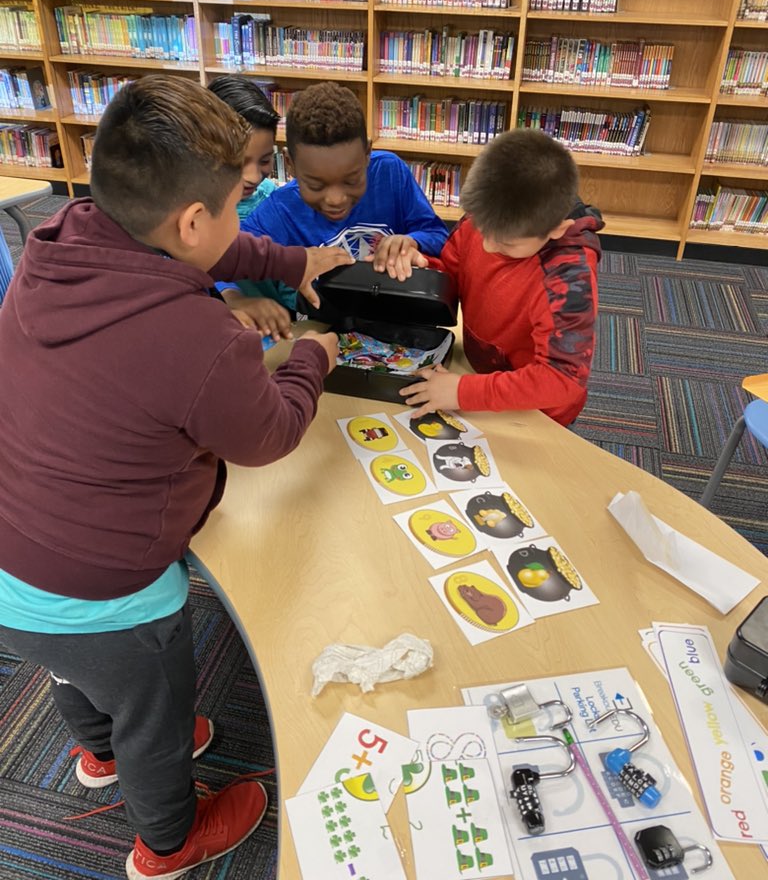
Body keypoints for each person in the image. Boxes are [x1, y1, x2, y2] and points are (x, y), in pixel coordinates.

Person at [0, 76, 351, 880]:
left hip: (13, 564)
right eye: (237, 204)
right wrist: (311, 358)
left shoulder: (63, 236)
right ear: (194, 220)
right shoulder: (199, 338)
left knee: (73, 673)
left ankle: (97, 752)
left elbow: (217, 247)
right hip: (111, 596)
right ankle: (167, 843)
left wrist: (294, 259)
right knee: (154, 721)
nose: (242, 220)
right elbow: (268, 435)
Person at [400, 129, 604, 427]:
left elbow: (561, 379)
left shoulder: (568, 277)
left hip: (536, 410)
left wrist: (463, 392)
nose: (487, 246)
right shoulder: (488, 216)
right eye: (482, 231)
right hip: (478, 375)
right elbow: (453, 274)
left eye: (506, 244)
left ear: (557, 230)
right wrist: (421, 267)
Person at [218, 81, 449, 321]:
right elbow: (221, 255)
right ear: (290, 165)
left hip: (401, 319)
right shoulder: (279, 211)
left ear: (367, 153)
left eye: (351, 180)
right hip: (330, 328)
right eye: (316, 185)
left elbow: (437, 234)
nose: (336, 200)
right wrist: (234, 298)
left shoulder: (390, 172)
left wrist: (412, 241)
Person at [207, 75, 295, 338]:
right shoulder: (190, 211)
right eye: (239, 162)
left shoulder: (274, 201)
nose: (253, 176)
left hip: (275, 333)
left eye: (265, 160)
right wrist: (232, 297)